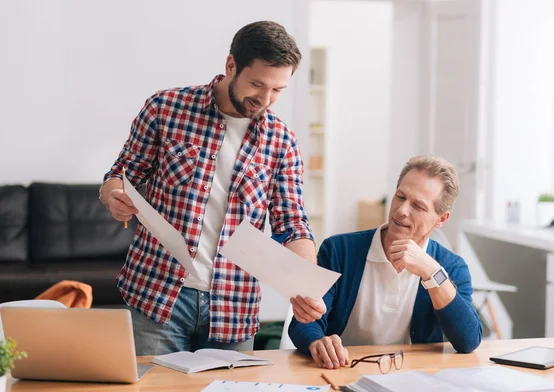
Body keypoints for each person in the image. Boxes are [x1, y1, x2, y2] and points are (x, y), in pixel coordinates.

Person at [99, 21, 325, 355]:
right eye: (257, 84)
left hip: (233, 307)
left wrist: (307, 286)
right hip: (157, 295)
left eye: (278, 90)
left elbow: (293, 223)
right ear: (230, 65)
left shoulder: (282, 141)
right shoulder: (166, 108)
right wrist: (114, 197)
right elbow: (121, 174)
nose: (265, 99)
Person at [289, 156, 482, 369]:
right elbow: (303, 321)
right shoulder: (339, 250)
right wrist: (317, 342)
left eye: (418, 206)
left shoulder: (451, 267)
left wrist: (431, 271)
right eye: (400, 197)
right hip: (343, 370)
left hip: (412, 377)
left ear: (441, 219)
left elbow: (469, 340)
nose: (402, 210)